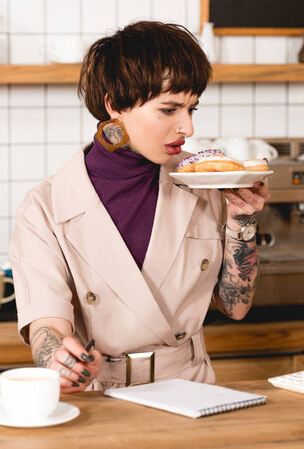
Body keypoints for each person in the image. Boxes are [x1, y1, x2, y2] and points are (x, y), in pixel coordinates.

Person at [9, 21, 269, 392]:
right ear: (115, 105)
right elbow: (47, 328)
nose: (188, 128)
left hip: (192, 388)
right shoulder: (45, 207)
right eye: (169, 110)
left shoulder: (205, 180)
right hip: (100, 397)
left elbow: (236, 307)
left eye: (192, 109)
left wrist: (242, 220)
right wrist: (64, 363)